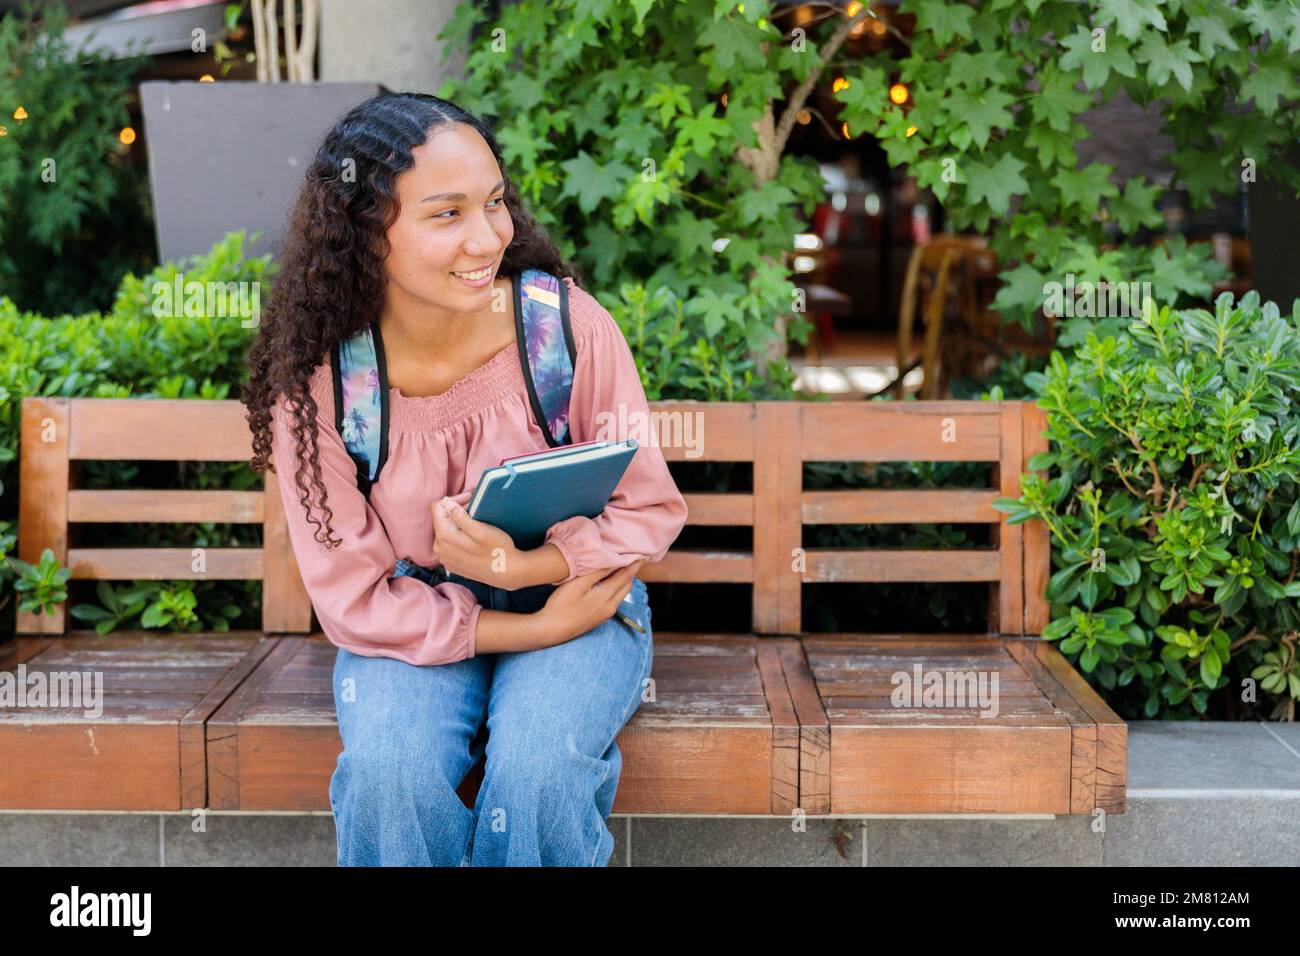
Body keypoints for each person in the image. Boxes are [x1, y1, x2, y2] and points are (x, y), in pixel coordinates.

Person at [241, 92, 689, 867]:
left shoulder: (564, 330)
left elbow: (646, 506)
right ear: (364, 234)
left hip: (578, 601)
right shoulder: (323, 381)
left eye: (495, 203)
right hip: (406, 622)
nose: (487, 238)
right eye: (446, 215)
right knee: (391, 777)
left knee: (540, 770)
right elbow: (353, 596)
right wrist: (524, 627)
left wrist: (529, 573)